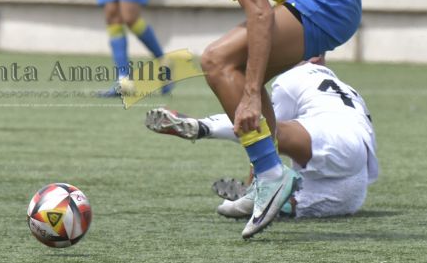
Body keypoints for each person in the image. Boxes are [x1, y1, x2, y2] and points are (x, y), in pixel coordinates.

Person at [155, 0, 361, 238]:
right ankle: (265, 181)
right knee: (239, 70)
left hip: (327, 0)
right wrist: (251, 86)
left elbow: (261, 12)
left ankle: (270, 175)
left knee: (217, 61)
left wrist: (251, 94)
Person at [144, 56, 378, 220]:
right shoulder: (345, 86)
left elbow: (267, 137)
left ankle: (204, 126)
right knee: (294, 206)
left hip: (335, 140)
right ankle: (282, 204)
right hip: (357, 172)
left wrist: (255, 182)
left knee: (265, 129)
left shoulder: (292, 77)